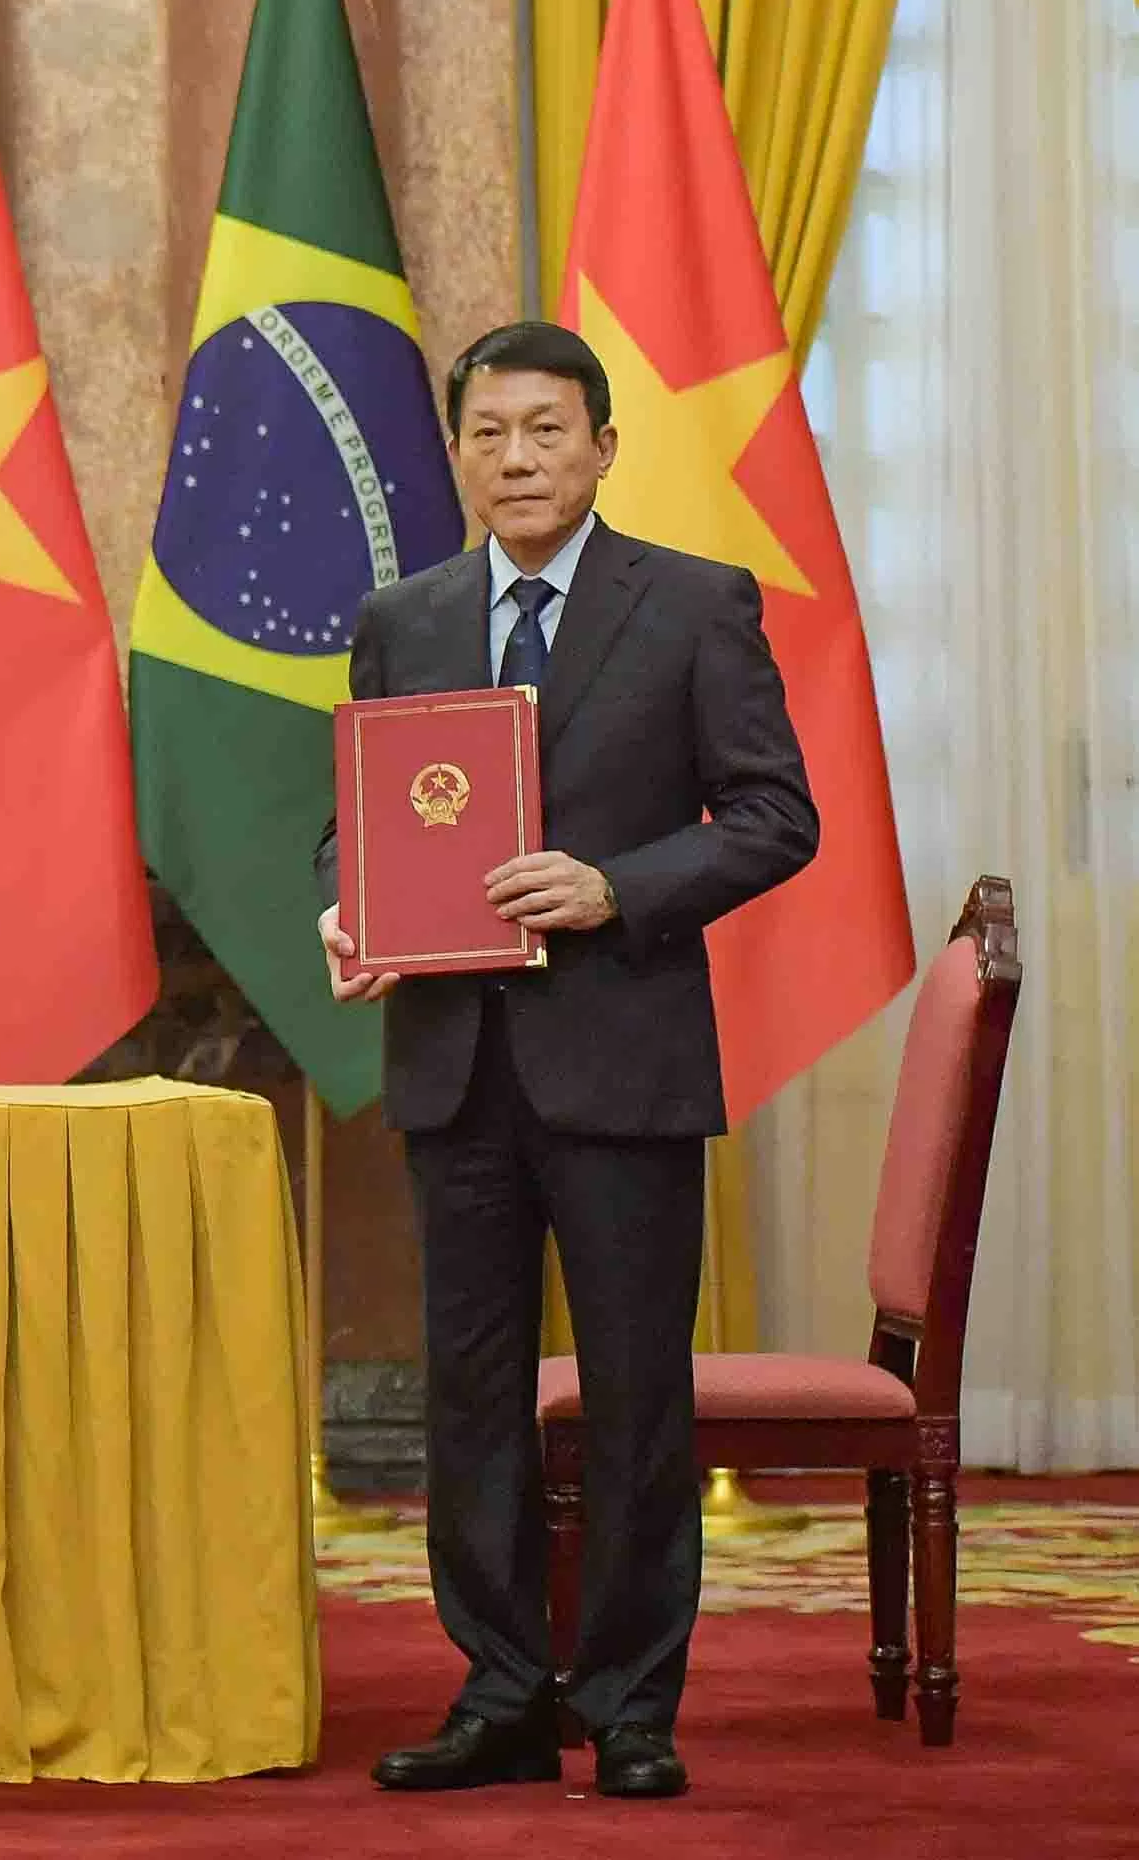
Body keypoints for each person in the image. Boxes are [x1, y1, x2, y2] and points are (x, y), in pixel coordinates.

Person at [314, 320, 817, 1805]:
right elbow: (355, 818)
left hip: (622, 1062)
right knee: (468, 1401)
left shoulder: (693, 604)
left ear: (601, 445)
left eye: (545, 430)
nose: (516, 458)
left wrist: (614, 888)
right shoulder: (401, 616)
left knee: (633, 1398)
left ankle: (631, 1704)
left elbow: (773, 817)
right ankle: (497, 1698)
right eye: (488, 433)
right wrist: (348, 906)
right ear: (455, 454)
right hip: (452, 1068)